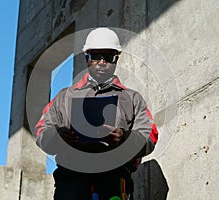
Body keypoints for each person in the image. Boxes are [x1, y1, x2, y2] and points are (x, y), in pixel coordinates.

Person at [35, 27, 158, 200]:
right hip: (71, 182)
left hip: (114, 181)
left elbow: (150, 137)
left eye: (108, 57)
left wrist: (123, 138)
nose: (102, 62)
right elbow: (41, 132)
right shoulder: (64, 97)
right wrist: (58, 137)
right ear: (87, 58)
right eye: (95, 57)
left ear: (116, 60)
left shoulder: (132, 99)